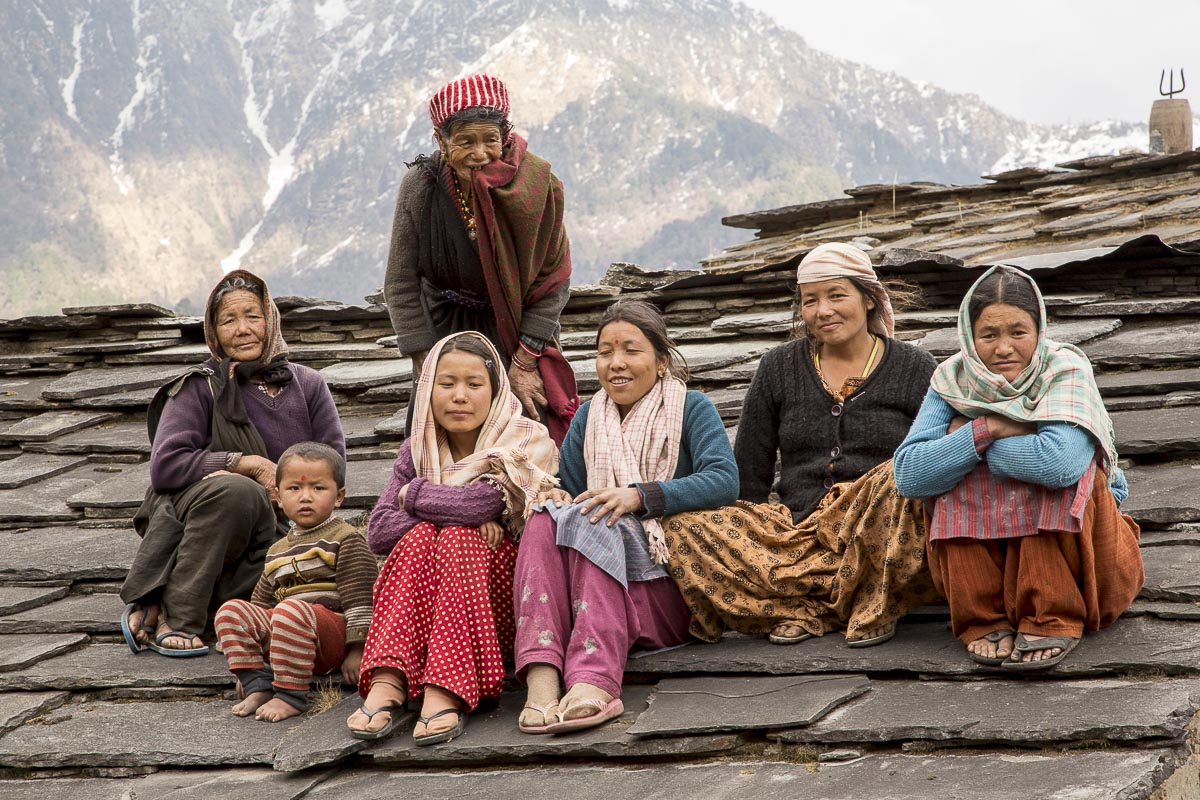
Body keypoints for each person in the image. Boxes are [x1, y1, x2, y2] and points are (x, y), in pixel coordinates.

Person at [663, 243, 940, 647]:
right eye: (810, 300)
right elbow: (750, 470)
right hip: (796, 533)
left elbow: (937, 454)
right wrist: (746, 536)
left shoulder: (914, 367)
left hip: (878, 533)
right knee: (681, 526)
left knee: (903, 472)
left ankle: (860, 601)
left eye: (836, 295)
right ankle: (818, 605)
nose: (822, 310)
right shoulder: (779, 367)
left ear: (868, 299)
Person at [893, 266, 1143, 671]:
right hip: (994, 559)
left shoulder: (1064, 371)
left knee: (1052, 478)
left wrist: (963, 448)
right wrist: (987, 427)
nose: (1004, 348)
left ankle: (1052, 613)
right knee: (945, 478)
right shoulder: (953, 379)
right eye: (988, 335)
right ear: (970, 337)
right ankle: (983, 616)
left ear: (1039, 331)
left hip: (1085, 558)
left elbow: (1057, 462)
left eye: (1018, 333)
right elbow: (909, 474)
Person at [513, 300, 739, 735]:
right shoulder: (587, 418)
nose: (616, 363)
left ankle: (593, 681)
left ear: (661, 359)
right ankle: (541, 678)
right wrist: (556, 496)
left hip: (668, 589)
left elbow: (724, 480)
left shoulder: (690, 408)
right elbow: (574, 500)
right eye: (604, 352)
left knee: (599, 517)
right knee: (547, 515)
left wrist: (640, 496)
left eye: (631, 350)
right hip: (594, 593)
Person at [119, 270, 346, 657]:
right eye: (229, 320)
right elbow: (166, 467)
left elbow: (334, 465)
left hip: (277, 527)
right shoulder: (198, 387)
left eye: (253, 316)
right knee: (238, 490)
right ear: (214, 331)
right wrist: (247, 463)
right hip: (211, 516)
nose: (243, 330)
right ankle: (180, 616)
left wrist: (295, 495)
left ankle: (164, 600)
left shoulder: (307, 384)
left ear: (270, 320)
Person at [347, 332, 558, 745]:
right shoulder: (417, 449)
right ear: (428, 389)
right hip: (432, 590)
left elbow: (480, 504)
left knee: (456, 537)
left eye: (474, 384)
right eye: (447, 384)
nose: (459, 396)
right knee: (430, 534)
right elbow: (379, 530)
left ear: (495, 391)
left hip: (497, 601)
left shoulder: (522, 443)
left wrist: (416, 495)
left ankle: (445, 687)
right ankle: (388, 678)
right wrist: (447, 514)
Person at [384, 73, 576, 439]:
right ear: (440, 140)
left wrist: (524, 359)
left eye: (490, 140)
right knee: (437, 433)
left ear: (505, 136)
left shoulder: (537, 185)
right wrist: (426, 359)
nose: (480, 153)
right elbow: (400, 281)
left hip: (518, 329)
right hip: (444, 327)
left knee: (529, 429)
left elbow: (554, 279)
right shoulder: (421, 187)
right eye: (464, 141)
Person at [213, 443, 376, 721]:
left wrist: (359, 649)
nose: (306, 497)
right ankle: (258, 683)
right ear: (277, 497)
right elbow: (261, 605)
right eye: (294, 489)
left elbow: (362, 598)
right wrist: (248, 657)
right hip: (289, 637)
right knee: (231, 611)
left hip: (330, 640)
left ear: (339, 497)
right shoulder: (277, 550)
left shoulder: (345, 539)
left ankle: (291, 695)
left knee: (290, 609)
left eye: (318, 488)